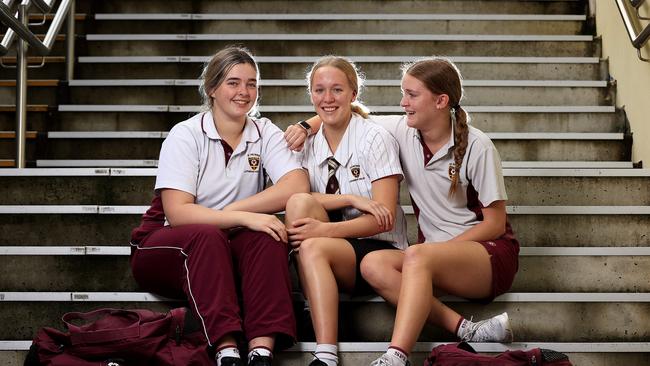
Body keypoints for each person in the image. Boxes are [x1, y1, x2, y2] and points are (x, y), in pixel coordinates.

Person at [285, 57, 519, 366]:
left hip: (486, 254)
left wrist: (437, 251)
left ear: (441, 101)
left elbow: (495, 224)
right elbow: (340, 113)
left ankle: (396, 356)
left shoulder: (479, 146)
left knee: (418, 255)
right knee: (373, 265)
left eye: (411, 95)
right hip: (428, 257)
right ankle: (467, 329)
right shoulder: (403, 129)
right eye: (403, 93)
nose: (402, 102)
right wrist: (305, 126)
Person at [129, 46, 309, 366]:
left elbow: (296, 186)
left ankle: (261, 349)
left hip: (227, 241)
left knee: (268, 234)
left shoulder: (263, 131)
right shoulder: (185, 135)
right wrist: (243, 216)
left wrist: (236, 213)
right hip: (165, 244)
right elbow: (178, 212)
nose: (244, 92)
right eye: (233, 83)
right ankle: (226, 349)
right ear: (211, 89)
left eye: (252, 84)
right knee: (207, 236)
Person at [283, 56, 408, 366]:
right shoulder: (308, 143)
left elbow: (384, 219)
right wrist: (350, 200)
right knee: (298, 203)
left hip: (379, 250)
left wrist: (324, 231)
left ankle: (324, 342)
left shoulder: (374, 137)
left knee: (312, 243)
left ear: (353, 94)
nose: (327, 99)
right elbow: (296, 195)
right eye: (320, 90)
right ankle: (325, 354)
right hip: (331, 250)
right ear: (310, 95)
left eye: (337, 90)